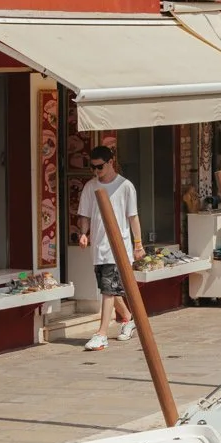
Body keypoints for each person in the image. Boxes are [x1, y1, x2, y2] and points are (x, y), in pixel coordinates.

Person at [77, 147, 143, 351]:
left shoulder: (125, 186)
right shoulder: (90, 187)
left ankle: (102, 333)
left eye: (99, 167)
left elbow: (133, 217)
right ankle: (128, 319)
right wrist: (84, 233)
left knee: (108, 289)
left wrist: (138, 243)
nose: (96, 171)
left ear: (110, 162)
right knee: (108, 288)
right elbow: (85, 215)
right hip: (98, 246)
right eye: (92, 167)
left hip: (118, 246)